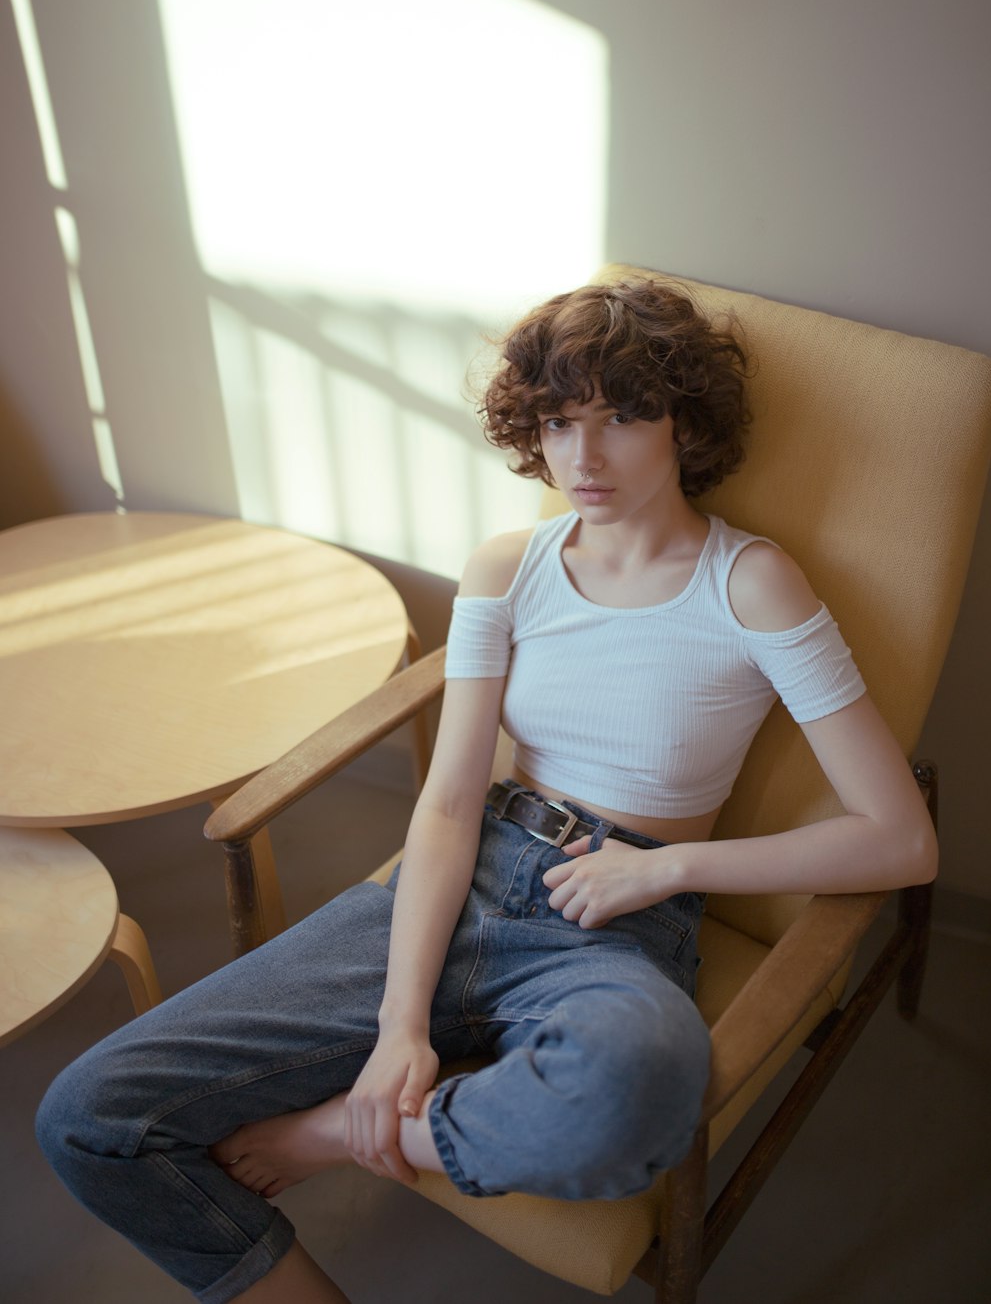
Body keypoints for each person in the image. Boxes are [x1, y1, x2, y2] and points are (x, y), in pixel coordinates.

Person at [36, 279, 938, 1304]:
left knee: (639, 1084)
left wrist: (666, 868)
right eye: (558, 422)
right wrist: (399, 1028)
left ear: (684, 424)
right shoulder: (509, 567)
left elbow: (898, 839)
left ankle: (336, 1134)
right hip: (462, 875)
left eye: (622, 418)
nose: (581, 459)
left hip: (617, 924)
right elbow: (453, 799)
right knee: (88, 1115)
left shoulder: (751, 582)